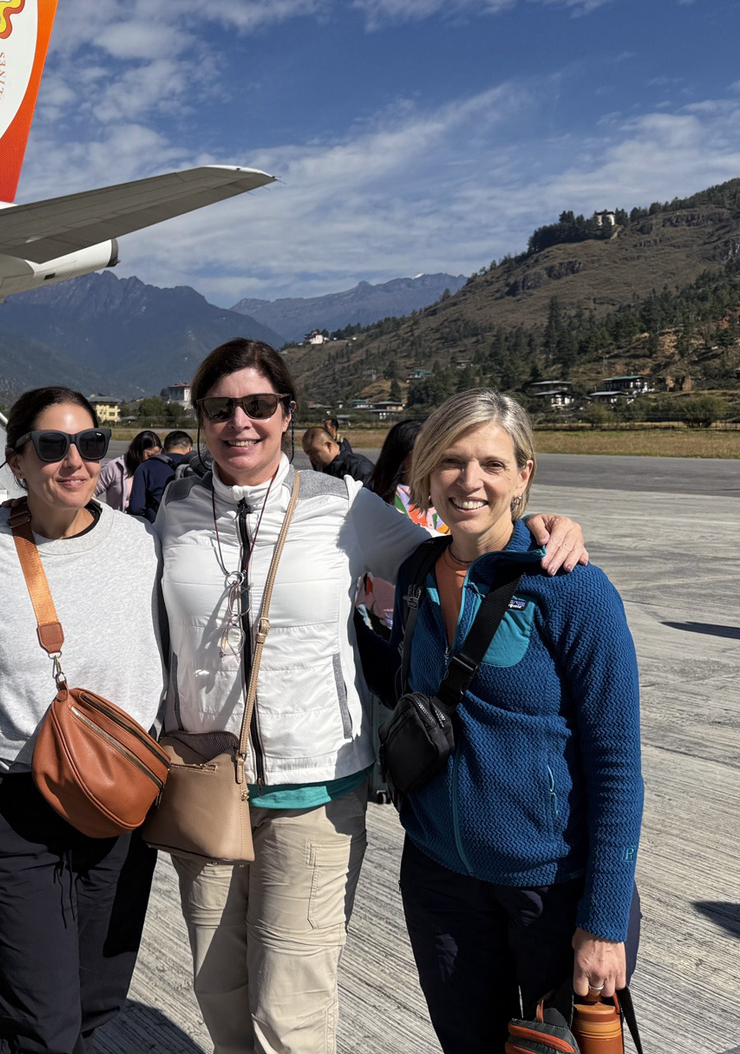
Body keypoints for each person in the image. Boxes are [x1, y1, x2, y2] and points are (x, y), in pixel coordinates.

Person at [152, 339, 587, 1054]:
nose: (240, 422)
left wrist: (541, 528)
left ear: (287, 413)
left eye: (259, 405)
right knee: (219, 990)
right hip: (204, 784)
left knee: (289, 1011)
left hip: (317, 790)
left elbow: (450, 550)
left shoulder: (341, 505)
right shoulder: (176, 507)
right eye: (220, 408)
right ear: (200, 418)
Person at [388, 389, 642, 1054]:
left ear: (524, 475)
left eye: (493, 464)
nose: (469, 481)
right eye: (451, 461)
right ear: (426, 472)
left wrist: (605, 922)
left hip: (551, 889)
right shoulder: (413, 574)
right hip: (440, 880)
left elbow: (616, 761)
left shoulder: (572, 589)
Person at [0, 386, 162, 1053]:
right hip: (13, 800)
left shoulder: (143, 546)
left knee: (93, 999)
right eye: (52, 446)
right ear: (17, 459)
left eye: (90, 444)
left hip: (121, 801)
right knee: (39, 1018)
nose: (74, 461)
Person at [358, 418, 445, 626]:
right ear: (401, 456)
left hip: (437, 606)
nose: (430, 459)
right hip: (391, 610)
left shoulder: (442, 492)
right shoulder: (373, 496)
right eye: (422, 453)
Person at [126, 428, 191, 521]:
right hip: (187, 527)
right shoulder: (194, 467)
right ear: (190, 449)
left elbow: (136, 508)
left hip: (156, 528)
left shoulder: (145, 467)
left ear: (163, 450)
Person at [96, 430, 159, 511]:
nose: (153, 460)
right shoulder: (114, 467)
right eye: (149, 455)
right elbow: (91, 493)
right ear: (138, 451)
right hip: (119, 520)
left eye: (157, 456)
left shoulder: (156, 469)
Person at [302, 426, 373, 483]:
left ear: (328, 446)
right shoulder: (322, 468)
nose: (311, 458)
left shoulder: (359, 467)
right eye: (308, 454)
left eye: (312, 453)